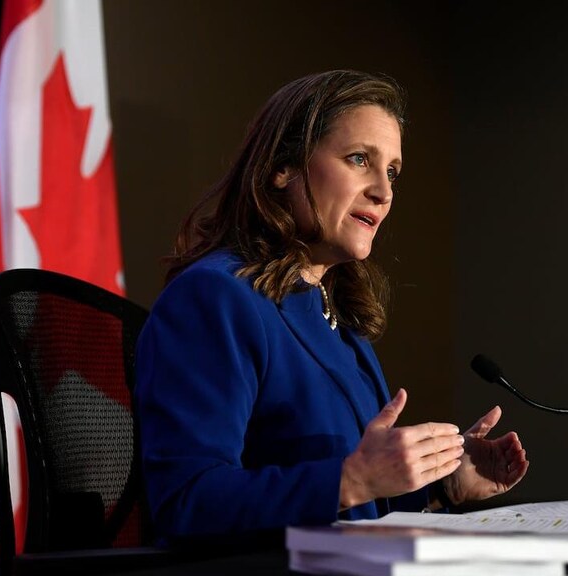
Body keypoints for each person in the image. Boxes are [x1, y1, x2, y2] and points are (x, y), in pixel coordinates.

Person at [134, 70, 528, 545]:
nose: (383, 191)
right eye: (359, 159)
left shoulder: (339, 318)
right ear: (283, 167)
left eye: (393, 172)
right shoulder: (215, 298)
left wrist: (440, 484)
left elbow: (354, 503)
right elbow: (185, 502)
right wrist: (352, 480)